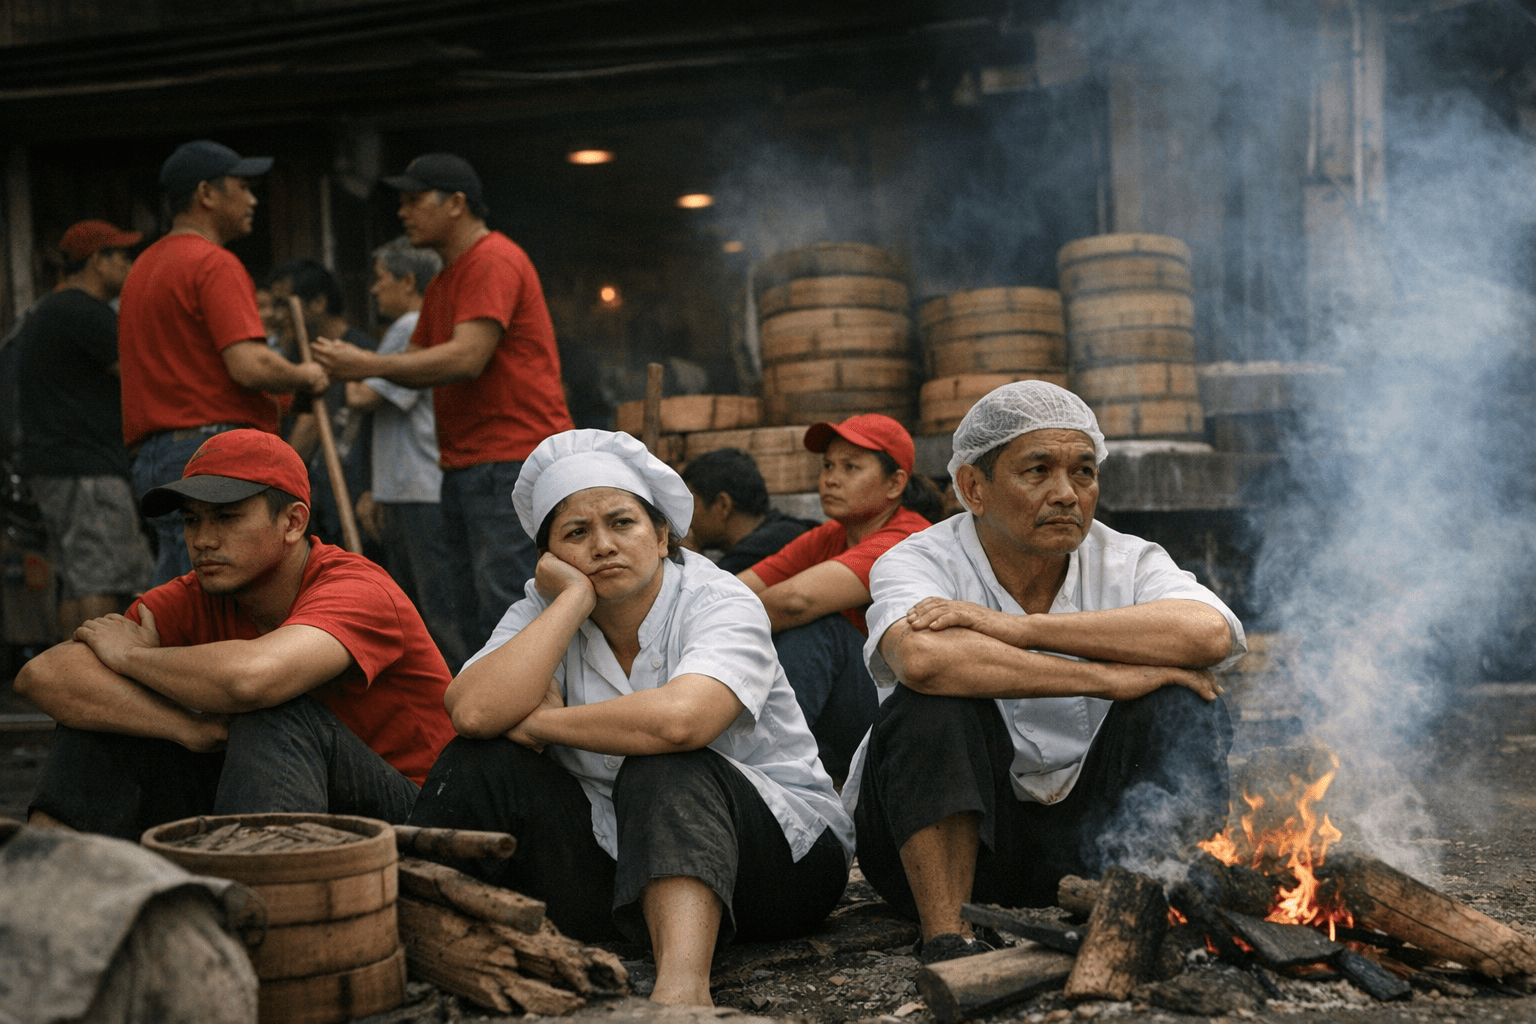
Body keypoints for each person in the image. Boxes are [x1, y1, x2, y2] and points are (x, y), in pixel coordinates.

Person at [407, 430, 852, 1007]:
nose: (602, 546)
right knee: (482, 758)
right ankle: (422, 942)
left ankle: (681, 996)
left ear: (662, 535)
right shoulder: (543, 609)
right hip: (621, 863)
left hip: (778, 863)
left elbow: (682, 723)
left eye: (623, 523)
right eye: (576, 533)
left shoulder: (718, 600)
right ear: (551, 559)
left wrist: (540, 724)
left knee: (664, 764)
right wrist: (570, 602)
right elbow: (471, 712)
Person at [847, 381, 1245, 964]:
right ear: (973, 488)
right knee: (930, 702)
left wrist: (1019, 629)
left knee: (1182, 702)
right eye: (1037, 470)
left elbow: (1209, 634)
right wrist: (1106, 677)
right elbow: (925, 660)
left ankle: (1149, 905)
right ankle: (947, 938)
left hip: (1094, 843)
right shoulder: (919, 559)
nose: (1067, 494)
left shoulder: (1127, 559)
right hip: (949, 841)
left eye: (1083, 472)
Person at [15, 429, 456, 839]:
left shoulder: (357, 588)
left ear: (293, 523)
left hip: (417, 814)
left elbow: (252, 679)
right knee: (97, 717)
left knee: (271, 711)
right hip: (287, 792)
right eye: (191, 521)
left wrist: (132, 659)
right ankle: (49, 883)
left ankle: (258, 906)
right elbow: (44, 675)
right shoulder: (199, 592)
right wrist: (188, 728)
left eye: (226, 518)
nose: (203, 539)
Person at [311, 153, 574, 650]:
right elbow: (415, 365)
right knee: (472, 605)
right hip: (465, 465)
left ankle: (530, 721)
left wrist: (365, 364)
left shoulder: (492, 258)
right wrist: (338, 367)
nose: (403, 213)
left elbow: (466, 359)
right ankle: (487, 717)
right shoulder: (446, 280)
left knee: (505, 601)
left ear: (456, 204)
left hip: (510, 460)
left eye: (414, 201)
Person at [118, 140, 328, 585]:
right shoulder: (213, 262)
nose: (253, 199)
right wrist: (304, 374)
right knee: (210, 594)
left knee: (181, 586)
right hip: (209, 451)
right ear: (207, 194)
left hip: (157, 451)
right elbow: (248, 365)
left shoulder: (143, 267)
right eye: (242, 187)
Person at [738, 415, 937, 781]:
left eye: (851, 467)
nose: (830, 478)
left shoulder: (908, 536)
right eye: (828, 465)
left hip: (905, 708)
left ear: (895, 484)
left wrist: (721, 619)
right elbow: (736, 590)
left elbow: (795, 601)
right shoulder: (830, 535)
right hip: (852, 706)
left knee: (820, 628)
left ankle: (760, 767)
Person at [16, 220, 153, 633]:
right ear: (97, 261)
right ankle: (99, 685)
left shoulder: (49, 309)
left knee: (80, 578)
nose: (131, 266)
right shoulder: (81, 310)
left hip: (60, 466)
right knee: (104, 576)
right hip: (86, 468)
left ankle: (76, 683)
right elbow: (138, 375)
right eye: (124, 257)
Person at [343, 236, 467, 670]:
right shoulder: (420, 325)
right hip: (407, 488)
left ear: (408, 281)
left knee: (432, 614)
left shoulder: (409, 327)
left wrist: (344, 364)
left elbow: (363, 396)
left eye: (380, 279)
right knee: (424, 610)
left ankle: (455, 698)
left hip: (418, 490)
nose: (374, 290)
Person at [268, 259, 379, 552]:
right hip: (312, 497)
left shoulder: (361, 353)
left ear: (317, 302)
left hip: (352, 493)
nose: (278, 315)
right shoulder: (294, 358)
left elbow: (312, 427)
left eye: (284, 304)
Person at [679, 447, 816, 573]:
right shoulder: (786, 531)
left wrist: (689, 556)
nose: (684, 516)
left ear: (723, 505)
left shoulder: (756, 553)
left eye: (692, 504)